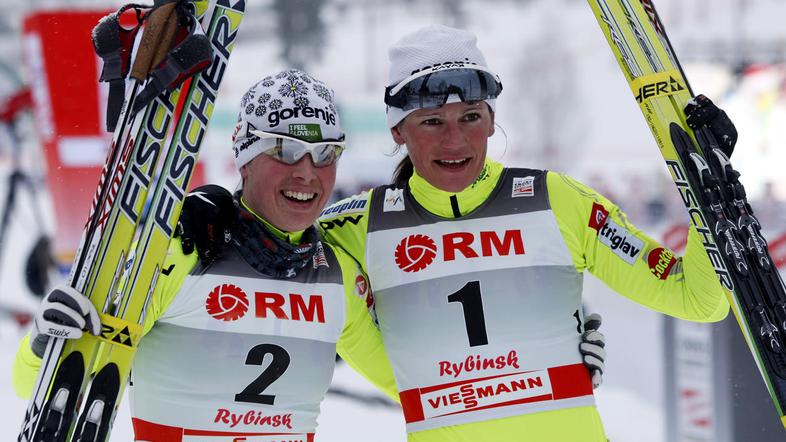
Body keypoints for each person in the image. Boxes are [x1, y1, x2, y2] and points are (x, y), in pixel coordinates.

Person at [314, 25, 731, 441]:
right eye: (432, 121)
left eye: (471, 117)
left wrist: (711, 196)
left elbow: (695, 299)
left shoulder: (556, 201)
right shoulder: (352, 230)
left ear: (493, 120)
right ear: (398, 131)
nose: (455, 139)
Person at [12, 69, 398, 441]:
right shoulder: (181, 253)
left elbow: (415, 387)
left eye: (326, 154)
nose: (307, 173)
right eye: (286, 150)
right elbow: (35, 385)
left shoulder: (337, 275)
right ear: (245, 158)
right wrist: (45, 343)